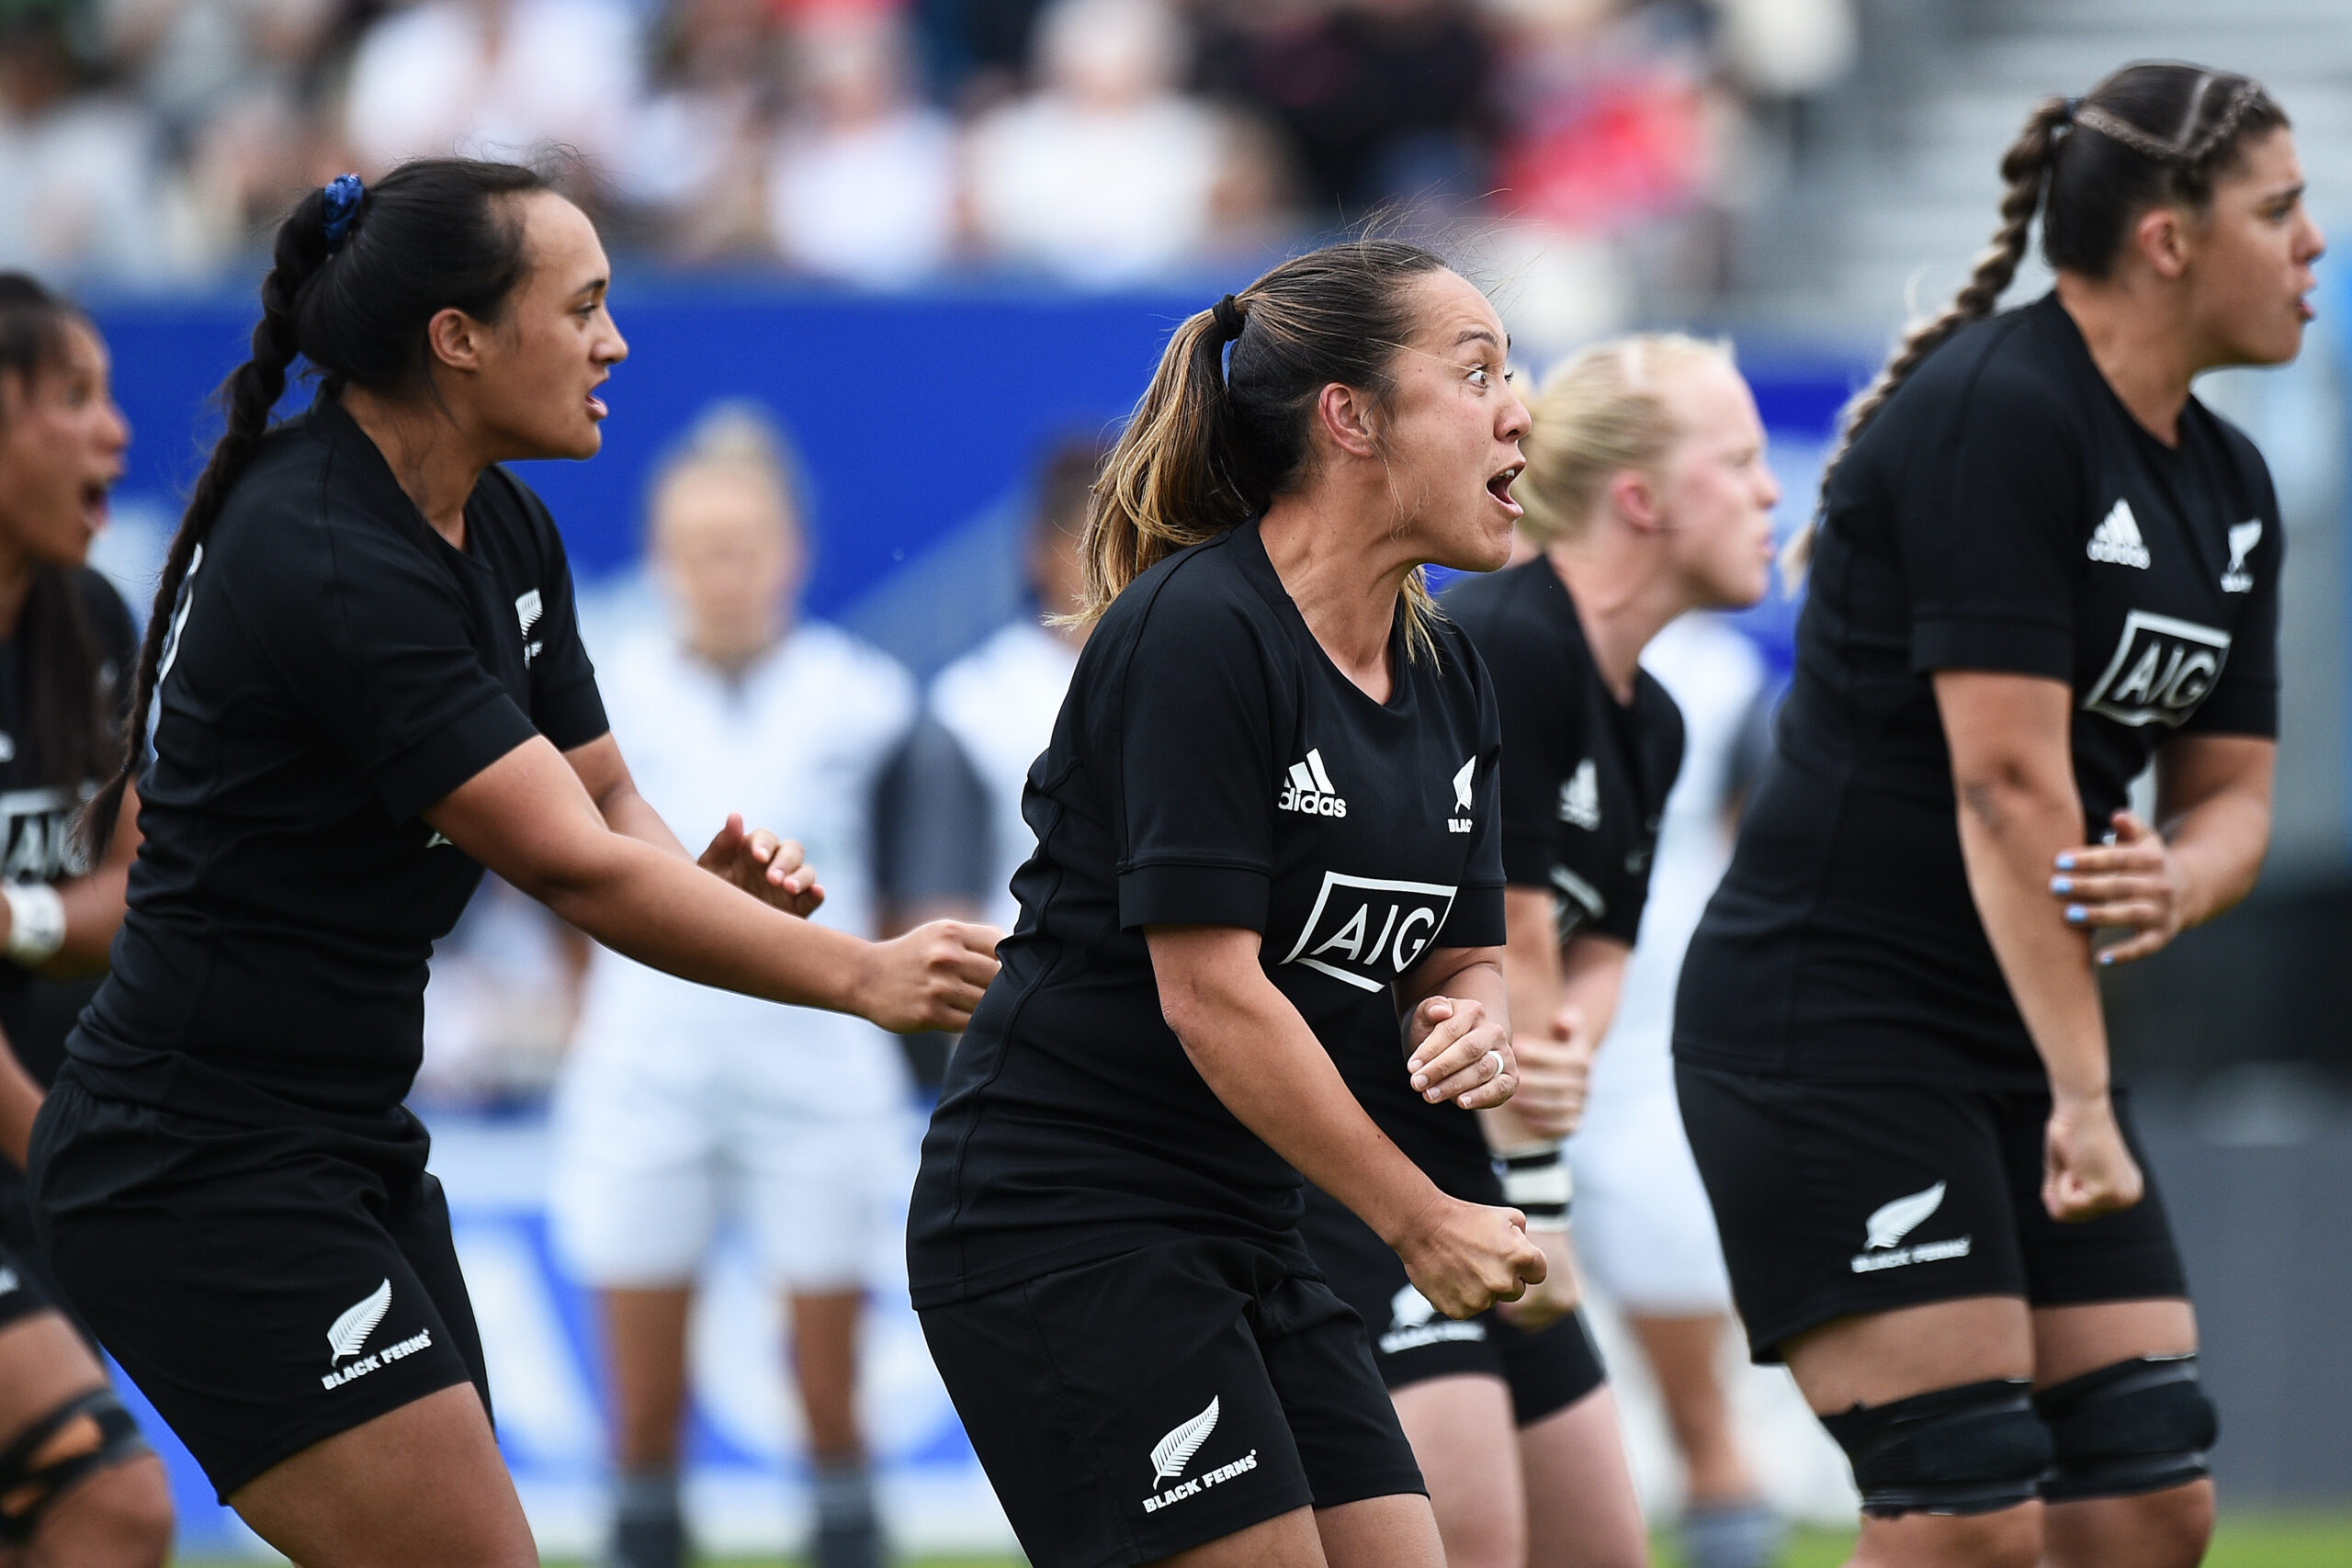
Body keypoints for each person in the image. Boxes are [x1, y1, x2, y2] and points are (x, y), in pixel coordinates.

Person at [26, 160, 1000, 1568]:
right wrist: (862, 974)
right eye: (585, 306)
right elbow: (576, 869)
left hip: (343, 1141)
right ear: (457, 338)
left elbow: (606, 805)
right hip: (195, 1161)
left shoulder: (503, 521)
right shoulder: (328, 552)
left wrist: (699, 887)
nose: (616, 342)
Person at [1674, 63, 2315, 1568]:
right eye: (2279, 211)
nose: (2314, 245)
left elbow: (2229, 801)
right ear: (2166, 239)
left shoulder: (2229, 486)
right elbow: (2008, 781)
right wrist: (2086, 1097)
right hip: (1834, 1027)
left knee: (2147, 1503)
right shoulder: (2003, 410)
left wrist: (2181, 881)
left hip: (2024, 1029)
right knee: (1968, 1510)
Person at [908, 239, 1545, 1568]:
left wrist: (1472, 1018)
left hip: (1256, 1224)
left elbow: (1465, 955)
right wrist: (1421, 1215)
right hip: (1066, 1220)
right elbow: (1209, 994)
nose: (1521, 406)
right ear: (1350, 417)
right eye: (1476, 368)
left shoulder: (1450, 672)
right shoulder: (1198, 629)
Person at [1295, 333, 1778, 1568]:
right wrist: (1545, 1179)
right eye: (1740, 460)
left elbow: (1597, 935)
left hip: (1495, 1167)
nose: (1775, 490)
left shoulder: (1657, 718)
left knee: (1601, 1539)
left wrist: (1563, 1054)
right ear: (1640, 498)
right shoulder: (1504, 638)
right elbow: (1496, 930)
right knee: (1475, 1538)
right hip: (1378, 1167)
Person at [548, 402, 922, 1568]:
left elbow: (909, 889)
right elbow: (560, 878)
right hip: (644, 1064)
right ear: (660, 554)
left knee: (832, 1401)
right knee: (643, 1421)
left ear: (792, 551)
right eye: (699, 545)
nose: (723, 569)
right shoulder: (597, 698)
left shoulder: (866, 700)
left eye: (745, 542)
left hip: (818, 1068)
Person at [0, 275, 175, 1567]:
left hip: (35, 1161)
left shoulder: (96, 622)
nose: (113, 429)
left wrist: (13, 912)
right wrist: (73, 1152)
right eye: (72, 397)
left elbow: (133, 896)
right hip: (34, 1143)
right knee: (111, 1502)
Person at [1567, 608, 1780, 1568]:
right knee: (1472, 1413)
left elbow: (1759, 845)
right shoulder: (1485, 644)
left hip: (1660, 1066)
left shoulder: (1724, 678)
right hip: (1496, 1058)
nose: (1763, 495)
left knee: (1701, 1415)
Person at [888, 436, 1103, 936]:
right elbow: (933, 917)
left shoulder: (1187, 682)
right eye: (1089, 541)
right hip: (1019, 999)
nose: (1114, 565)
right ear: (1039, 552)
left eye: (1134, 539)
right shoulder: (970, 709)